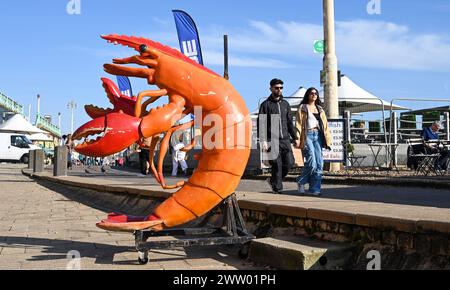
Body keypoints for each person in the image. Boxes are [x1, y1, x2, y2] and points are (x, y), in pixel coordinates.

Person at [258, 78, 297, 194]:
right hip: (272, 139)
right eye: (276, 88)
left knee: (290, 163)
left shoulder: (285, 104)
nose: (279, 90)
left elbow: (290, 122)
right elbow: (262, 123)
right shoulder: (265, 105)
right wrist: (263, 140)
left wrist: (295, 137)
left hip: (285, 139)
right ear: (271, 89)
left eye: (281, 88)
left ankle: (272, 180)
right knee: (276, 164)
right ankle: (277, 188)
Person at [294, 87, 332, 196]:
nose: (314, 95)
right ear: (308, 95)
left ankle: (314, 189)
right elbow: (298, 124)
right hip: (307, 136)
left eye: (315, 93)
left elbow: (325, 126)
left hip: (318, 136)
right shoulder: (303, 108)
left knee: (319, 163)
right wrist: (297, 138)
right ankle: (301, 181)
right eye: (311, 93)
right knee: (312, 163)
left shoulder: (320, 109)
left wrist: (328, 141)